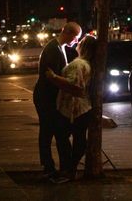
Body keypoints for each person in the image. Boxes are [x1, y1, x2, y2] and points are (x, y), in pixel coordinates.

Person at [33, 21, 82, 180]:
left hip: (49, 96)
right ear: (67, 33)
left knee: (51, 131)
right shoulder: (53, 50)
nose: (76, 41)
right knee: (49, 131)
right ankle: (49, 166)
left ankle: (52, 166)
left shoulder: (57, 47)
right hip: (47, 97)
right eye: (75, 37)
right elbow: (52, 77)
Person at [46, 34, 97, 179]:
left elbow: (74, 86)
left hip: (71, 109)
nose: (77, 42)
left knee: (63, 138)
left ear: (84, 47)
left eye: (80, 41)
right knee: (78, 139)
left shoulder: (78, 65)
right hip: (83, 108)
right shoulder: (87, 64)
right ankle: (70, 168)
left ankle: (69, 168)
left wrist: (53, 77)